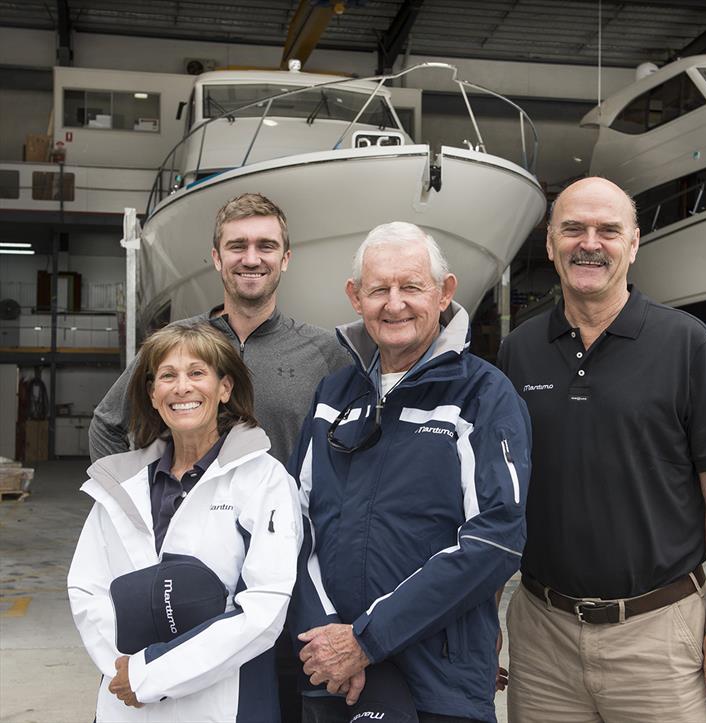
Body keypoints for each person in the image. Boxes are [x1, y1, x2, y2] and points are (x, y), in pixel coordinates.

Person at [497, 176, 706, 723]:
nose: (590, 243)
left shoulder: (687, 345)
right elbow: (498, 492)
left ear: (633, 245)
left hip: (657, 636)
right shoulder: (519, 350)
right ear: (550, 243)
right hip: (543, 636)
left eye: (608, 231)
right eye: (573, 229)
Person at [288, 221, 532, 722]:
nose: (394, 303)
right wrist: (329, 639)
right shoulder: (332, 396)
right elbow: (292, 527)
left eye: (411, 287)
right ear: (356, 298)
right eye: (379, 289)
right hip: (331, 672)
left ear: (444, 294)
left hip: (440, 682)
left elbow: (496, 539)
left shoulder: (484, 396)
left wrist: (366, 639)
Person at [68, 320, 303, 722]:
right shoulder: (119, 484)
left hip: (223, 703)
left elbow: (264, 609)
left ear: (224, 388)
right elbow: (87, 589)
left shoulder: (264, 480)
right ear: (152, 393)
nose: (182, 388)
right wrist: (124, 670)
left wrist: (152, 674)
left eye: (197, 373)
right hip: (126, 704)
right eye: (167, 376)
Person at [89, 192, 351, 467]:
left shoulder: (326, 352)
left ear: (285, 259)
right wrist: (128, 502)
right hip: (183, 509)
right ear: (217, 258)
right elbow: (106, 425)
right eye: (237, 246)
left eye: (266, 246)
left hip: (282, 510)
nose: (251, 259)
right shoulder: (170, 345)